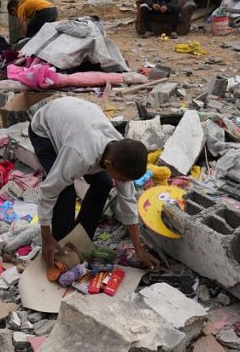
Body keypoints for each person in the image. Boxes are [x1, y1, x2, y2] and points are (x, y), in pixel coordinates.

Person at [28, 97, 158, 274]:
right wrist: (46, 237)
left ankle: (80, 239)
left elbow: (128, 202)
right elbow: (49, 191)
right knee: (65, 191)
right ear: (108, 163)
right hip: (44, 130)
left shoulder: (119, 149)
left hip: (77, 118)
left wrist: (139, 250)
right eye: (121, 178)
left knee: (104, 183)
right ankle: (60, 246)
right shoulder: (81, 155)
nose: (122, 183)